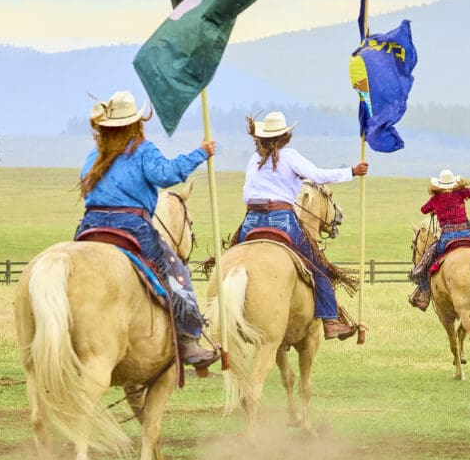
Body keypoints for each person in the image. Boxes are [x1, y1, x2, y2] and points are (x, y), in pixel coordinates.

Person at [74, 90, 220, 369]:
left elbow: (84, 183)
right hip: (133, 227)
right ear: (136, 123)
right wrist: (200, 153)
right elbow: (166, 174)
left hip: (90, 226)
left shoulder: (94, 155)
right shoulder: (143, 151)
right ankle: (188, 339)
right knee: (177, 274)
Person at [238, 111, 368, 340]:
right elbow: (317, 176)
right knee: (318, 267)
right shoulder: (290, 156)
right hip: (282, 219)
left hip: (250, 220)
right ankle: (330, 320)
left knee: (231, 261)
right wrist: (351, 172)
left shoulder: (253, 159)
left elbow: (246, 194)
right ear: (285, 136)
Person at [408, 168, 470, 310]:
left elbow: (423, 209)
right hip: (468, 235)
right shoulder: (461, 193)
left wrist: (434, 208)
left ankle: (423, 292)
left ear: (439, 185)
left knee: (428, 262)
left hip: (447, 237)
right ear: (454, 183)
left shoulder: (436, 198)